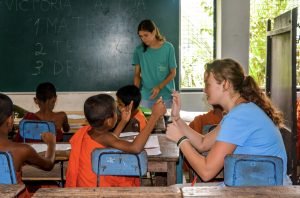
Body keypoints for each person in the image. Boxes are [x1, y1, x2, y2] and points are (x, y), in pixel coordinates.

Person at [166, 58, 291, 185]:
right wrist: (177, 119)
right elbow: (203, 143)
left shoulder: (240, 116)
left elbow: (206, 172)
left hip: (265, 190)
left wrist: (181, 140)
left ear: (225, 84)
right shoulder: (240, 112)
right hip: (258, 186)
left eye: (207, 84)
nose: (204, 89)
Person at [65, 94, 166, 187]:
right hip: (98, 190)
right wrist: (154, 117)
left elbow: (110, 139)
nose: (118, 114)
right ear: (109, 121)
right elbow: (135, 148)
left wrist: (123, 121)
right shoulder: (104, 137)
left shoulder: (89, 132)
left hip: (87, 185)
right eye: (115, 112)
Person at [0, 93, 56, 197]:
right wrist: (51, 143)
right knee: (52, 187)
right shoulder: (21, 150)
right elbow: (48, 165)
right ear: (10, 120)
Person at [132, 19, 177, 108]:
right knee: (146, 122)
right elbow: (137, 75)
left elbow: (173, 73)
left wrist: (159, 87)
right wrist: (135, 93)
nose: (143, 39)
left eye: (146, 35)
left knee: (165, 122)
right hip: (146, 97)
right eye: (141, 36)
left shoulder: (168, 48)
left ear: (154, 32)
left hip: (166, 96)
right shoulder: (139, 50)